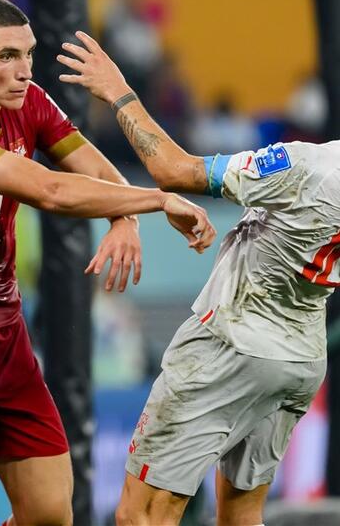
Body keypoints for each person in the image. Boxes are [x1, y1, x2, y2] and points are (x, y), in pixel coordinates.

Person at [0, 0, 216, 526]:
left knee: (49, 515)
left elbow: (98, 172)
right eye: (6, 56)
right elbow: (49, 190)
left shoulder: (29, 101)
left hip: (3, 339)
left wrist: (124, 218)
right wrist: (156, 200)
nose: (24, 71)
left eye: (28, 54)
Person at [57, 31, 340, 526]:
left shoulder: (312, 167)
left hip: (232, 344)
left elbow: (174, 170)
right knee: (242, 515)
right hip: (299, 357)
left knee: (143, 514)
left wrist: (117, 91)